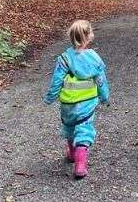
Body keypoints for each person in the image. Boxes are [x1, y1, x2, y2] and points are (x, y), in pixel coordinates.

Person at [43, 20, 109, 178]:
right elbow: (101, 80)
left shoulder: (64, 58)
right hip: (87, 103)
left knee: (70, 127)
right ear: (89, 37)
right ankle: (80, 165)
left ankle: (72, 154)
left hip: (67, 102)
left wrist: (50, 97)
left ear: (70, 37)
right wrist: (104, 96)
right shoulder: (94, 58)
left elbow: (57, 80)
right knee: (84, 130)